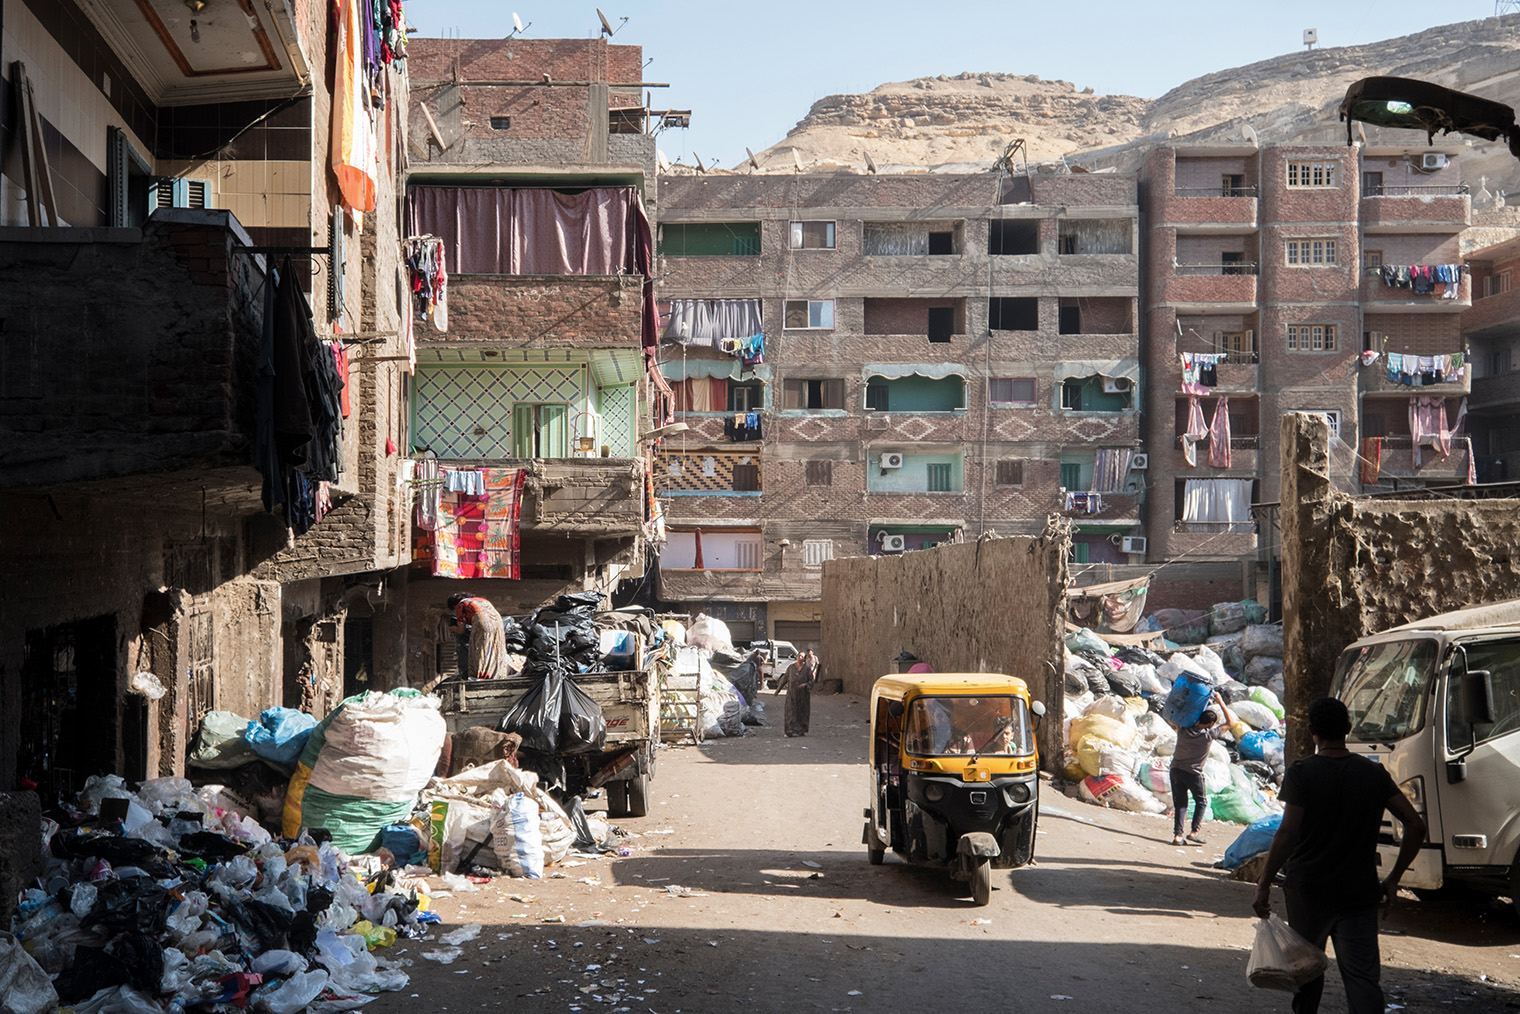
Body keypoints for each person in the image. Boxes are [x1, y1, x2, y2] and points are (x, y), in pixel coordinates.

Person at [1252, 697, 1426, 1014]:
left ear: (1311, 730)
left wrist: (1264, 883)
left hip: (1308, 890)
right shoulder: (1373, 774)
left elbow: (1288, 832)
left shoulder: (1301, 772)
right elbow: (1415, 825)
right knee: (1362, 980)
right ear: (1348, 729)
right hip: (1359, 892)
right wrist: (1393, 879)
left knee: (1306, 973)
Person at [1170, 690, 1238, 846]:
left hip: (1175, 770)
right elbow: (1230, 723)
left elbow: (1179, 717)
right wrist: (1220, 702)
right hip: (1193, 774)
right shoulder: (1208, 735)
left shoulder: (1183, 730)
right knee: (1201, 802)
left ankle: (1177, 836)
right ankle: (1194, 832)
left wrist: (1197, 703)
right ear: (1211, 724)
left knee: (1181, 803)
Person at [447, 593, 507, 680]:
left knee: (478, 648)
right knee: (494, 648)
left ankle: (480, 675)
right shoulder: (481, 600)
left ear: (454, 605)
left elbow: (461, 630)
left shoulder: (461, 605)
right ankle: (496, 675)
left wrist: (451, 628)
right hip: (498, 622)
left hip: (482, 622)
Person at [776, 648, 819, 737]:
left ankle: (801, 730)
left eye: (802, 656)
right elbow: (784, 679)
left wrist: (806, 685)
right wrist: (778, 690)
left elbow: (812, 681)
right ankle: (789, 730)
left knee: (802, 712)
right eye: (799, 656)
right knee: (790, 711)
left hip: (803, 695)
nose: (800, 658)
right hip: (792, 694)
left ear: (804, 658)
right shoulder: (791, 668)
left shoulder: (807, 670)